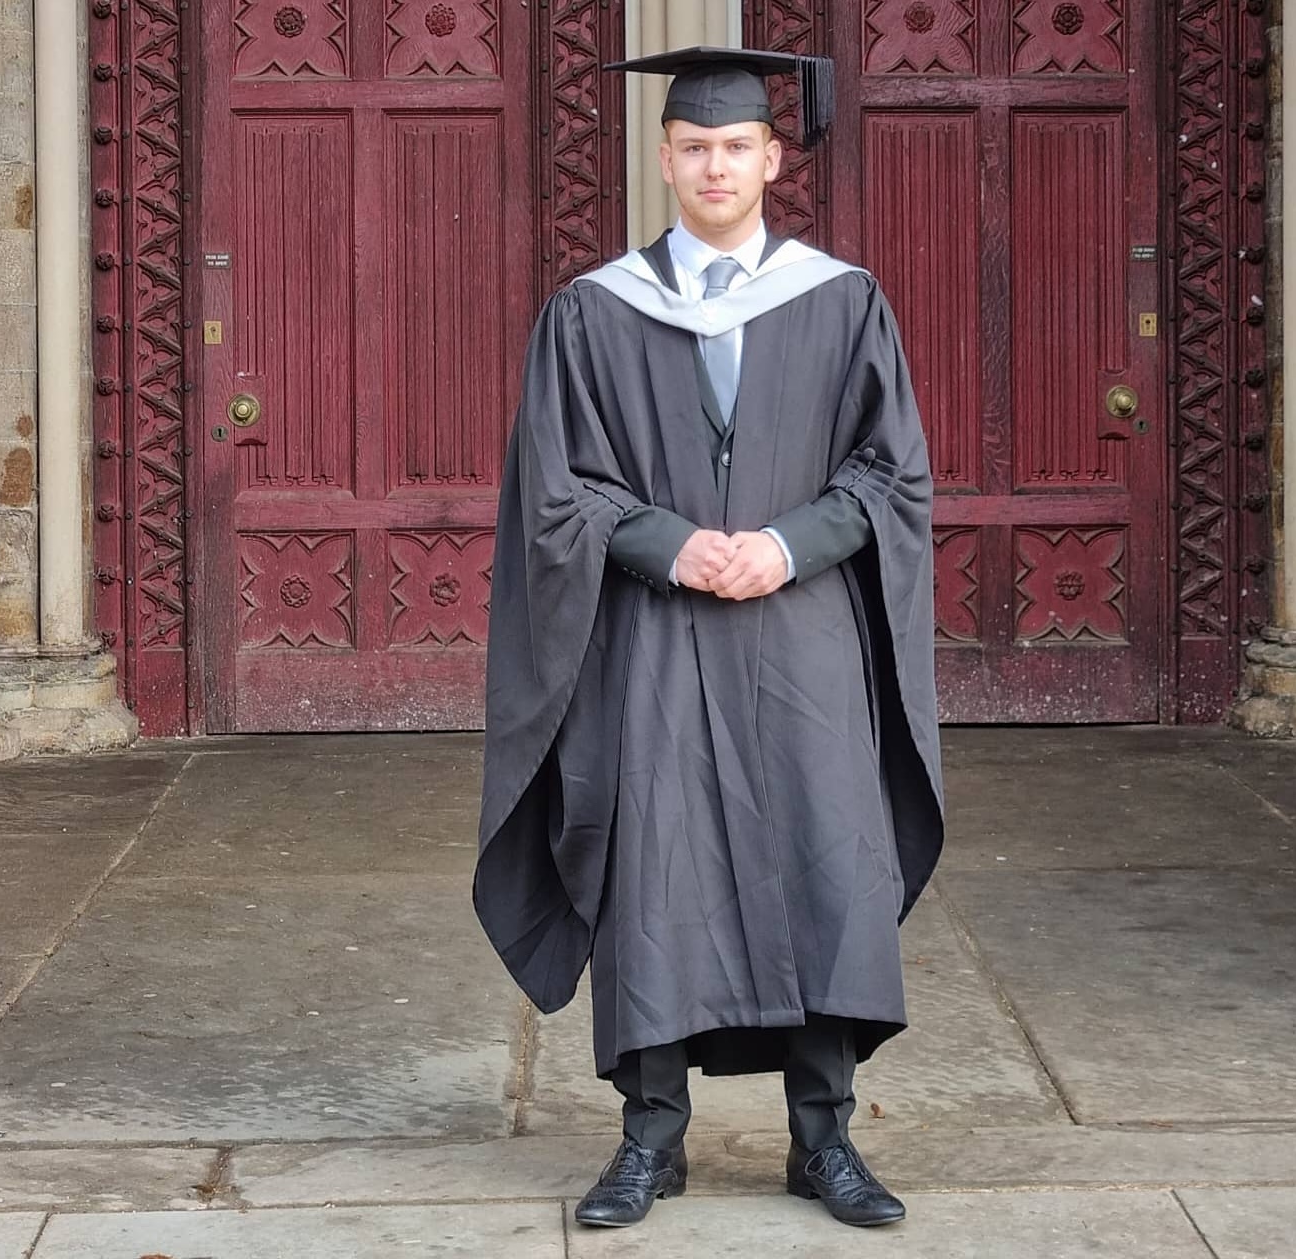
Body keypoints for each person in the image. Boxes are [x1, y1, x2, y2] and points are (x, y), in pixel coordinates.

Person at [474, 46, 944, 1229]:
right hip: (655, 636)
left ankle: (823, 1138)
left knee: (825, 857)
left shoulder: (842, 300)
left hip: (804, 635)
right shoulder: (593, 310)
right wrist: (671, 542)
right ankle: (649, 1139)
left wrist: (784, 544)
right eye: (694, 147)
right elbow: (556, 485)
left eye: (736, 146)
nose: (715, 165)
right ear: (666, 159)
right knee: (654, 867)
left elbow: (892, 473)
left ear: (774, 158)